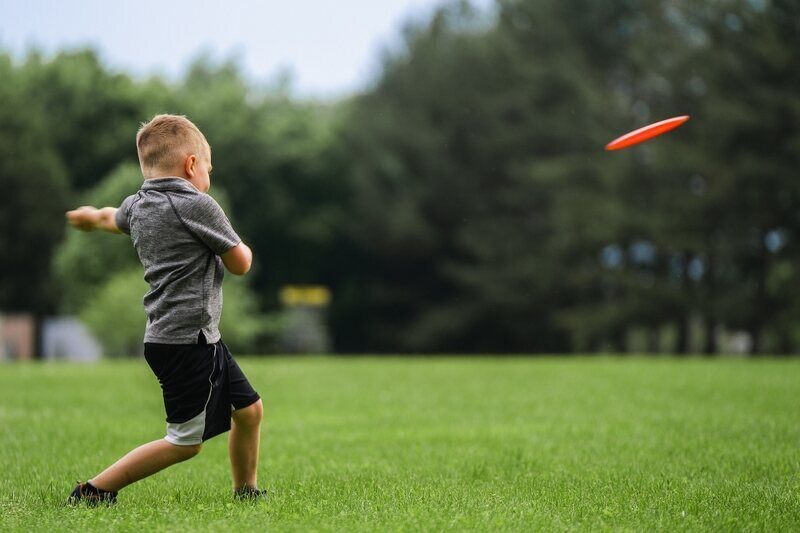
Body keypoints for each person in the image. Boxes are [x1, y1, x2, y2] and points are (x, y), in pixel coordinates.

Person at [65, 114, 264, 504]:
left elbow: (110, 218)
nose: (208, 175)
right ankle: (94, 490)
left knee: (249, 410)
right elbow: (241, 263)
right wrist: (243, 248)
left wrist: (91, 217)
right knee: (185, 442)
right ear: (192, 164)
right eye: (208, 167)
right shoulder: (196, 203)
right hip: (189, 341)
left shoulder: (139, 204)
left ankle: (247, 491)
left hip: (186, 337)